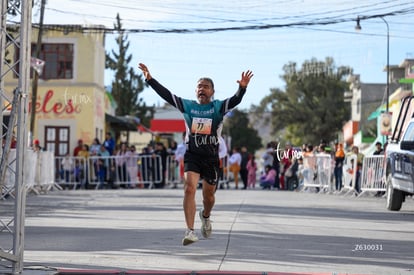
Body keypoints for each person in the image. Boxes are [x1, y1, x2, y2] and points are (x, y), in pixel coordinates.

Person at [138, 62, 253, 246]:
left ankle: (205, 216)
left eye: (206, 87)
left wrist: (242, 88)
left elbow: (235, 100)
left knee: (208, 197)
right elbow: (167, 95)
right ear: (195, 91)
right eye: (199, 86)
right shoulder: (187, 106)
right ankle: (190, 231)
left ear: (212, 91)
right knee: (189, 188)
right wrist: (150, 80)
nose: (202, 89)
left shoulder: (218, 107)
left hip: (211, 157)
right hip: (193, 154)